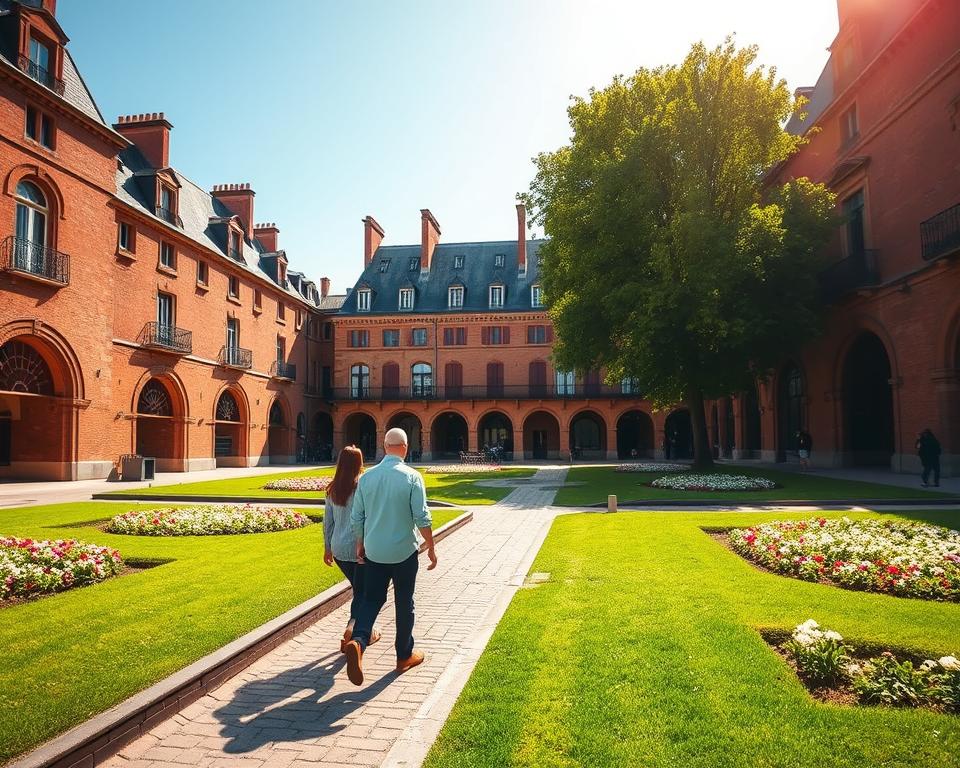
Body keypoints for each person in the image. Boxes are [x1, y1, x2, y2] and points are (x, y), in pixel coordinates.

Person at [344, 427, 438, 686]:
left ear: (385, 447)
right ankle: (403, 656)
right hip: (403, 552)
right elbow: (422, 516)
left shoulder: (367, 478)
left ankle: (359, 641)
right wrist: (430, 546)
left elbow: (357, 517)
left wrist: (360, 545)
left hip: (374, 550)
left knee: (371, 599)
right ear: (405, 448)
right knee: (404, 602)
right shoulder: (412, 477)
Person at [323, 446, 380, 652]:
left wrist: (327, 548)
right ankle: (353, 630)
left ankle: (363, 629)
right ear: (359, 464)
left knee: (359, 590)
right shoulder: (362, 487)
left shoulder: (332, 488)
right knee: (363, 593)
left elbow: (327, 522)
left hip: (339, 549)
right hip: (360, 548)